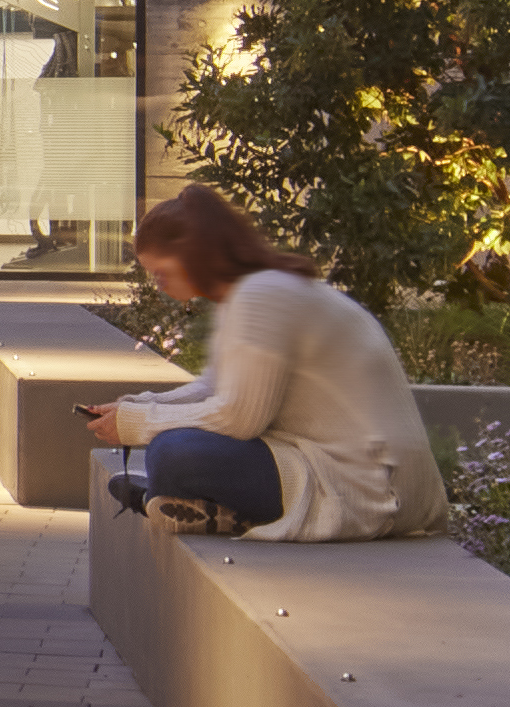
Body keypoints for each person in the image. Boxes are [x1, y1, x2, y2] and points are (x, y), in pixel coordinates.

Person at [67, 188, 442, 543]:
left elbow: (239, 418)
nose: (158, 283)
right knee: (169, 448)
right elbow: (215, 387)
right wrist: (139, 406)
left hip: (364, 488)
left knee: (172, 453)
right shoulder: (256, 292)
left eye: (161, 271)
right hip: (350, 470)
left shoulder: (260, 297)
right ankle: (209, 509)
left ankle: (218, 509)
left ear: (193, 254)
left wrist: (137, 422)